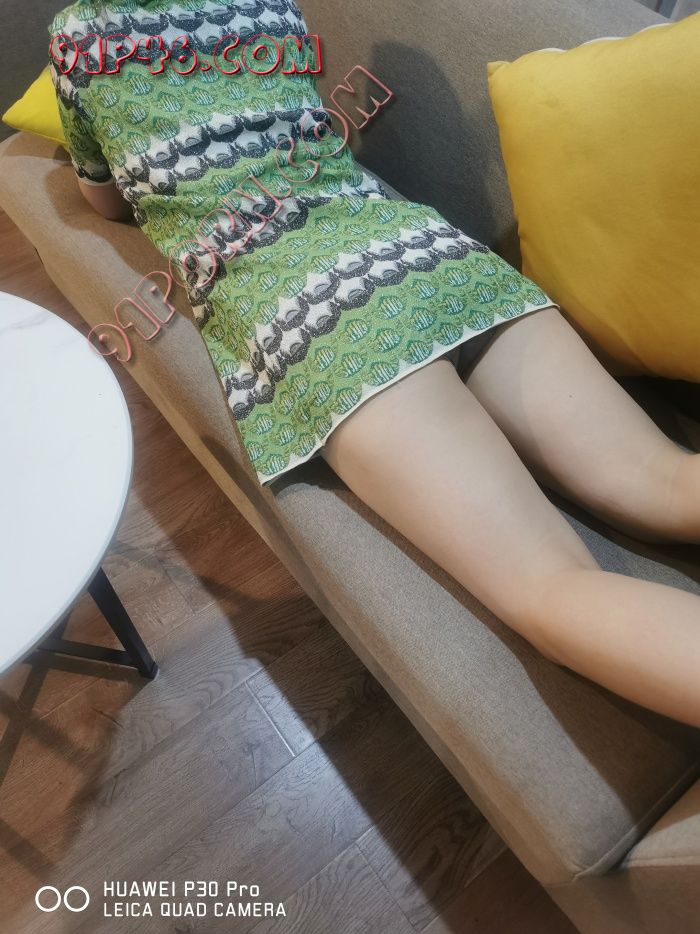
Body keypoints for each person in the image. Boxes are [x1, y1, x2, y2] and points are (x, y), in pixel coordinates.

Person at [49, 0, 700, 728]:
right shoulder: (272, 5)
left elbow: (105, 200)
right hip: (426, 255)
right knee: (667, 481)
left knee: (553, 590)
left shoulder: (79, 35)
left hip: (317, 310)